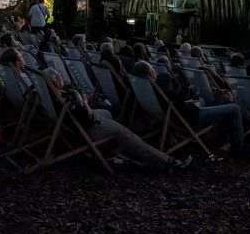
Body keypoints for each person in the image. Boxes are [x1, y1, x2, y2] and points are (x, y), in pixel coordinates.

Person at [43, 68, 192, 172]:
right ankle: (166, 162)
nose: (62, 76)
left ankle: (115, 149)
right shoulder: (65, 101)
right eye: (60, 75)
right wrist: (85, 104)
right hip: (90, 125)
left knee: (108, 113)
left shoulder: (51, 96)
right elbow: (85, 114)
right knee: (125, 133)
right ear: (55, 80)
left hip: (76, 126)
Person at [133, 61, 250, 159]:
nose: (155, 70)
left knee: (201, 99)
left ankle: (211, 138)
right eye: (153, 69)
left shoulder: (147, 92)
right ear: (151, 73)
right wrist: (194, 106)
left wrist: (191, 104)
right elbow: (187, 113)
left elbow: (178, 107)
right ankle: (237, 149)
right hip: (192, 120)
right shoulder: (165, 94)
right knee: (234, 109)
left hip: (172, 119)